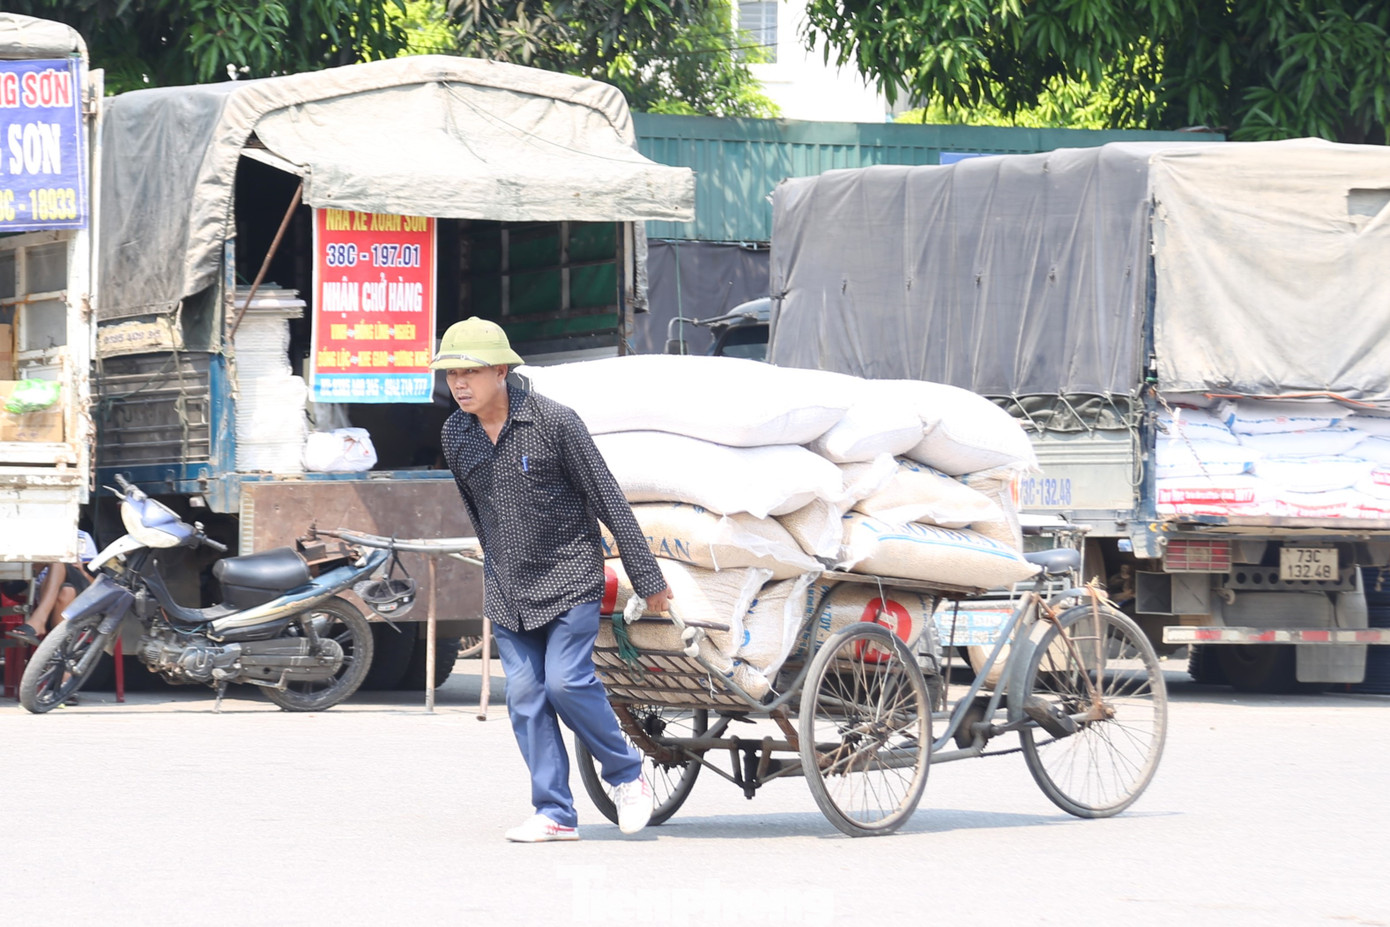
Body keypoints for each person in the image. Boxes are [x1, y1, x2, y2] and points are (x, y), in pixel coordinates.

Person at [434, 317, 674, 843]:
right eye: (451, 374)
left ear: (501, 370)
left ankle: (627, 775)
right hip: (508, 587)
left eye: (470, 372)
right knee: (524, 695)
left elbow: (608, 497)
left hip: (569, 576)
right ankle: (555, 813)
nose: (459, 384)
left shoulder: (554, 422)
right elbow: (479, 512)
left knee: (566, 683)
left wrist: (646, 575)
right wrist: (495, 569)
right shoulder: (455, 434)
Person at [7, 529, 98, 647]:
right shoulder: (29, 537)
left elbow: (96, 586)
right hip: (48, 602)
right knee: (66, 591)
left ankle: (38, 622)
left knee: (58, 558)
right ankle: (59, 649)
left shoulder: (82, 537)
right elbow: (11, 589)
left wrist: (82, 570)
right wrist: (36, 568)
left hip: (81, 601)